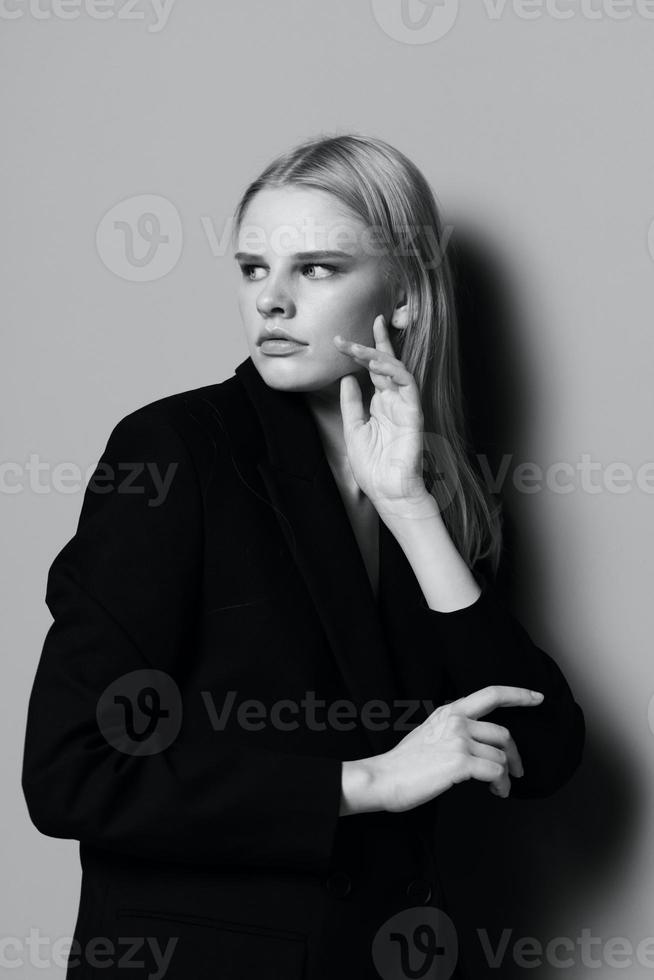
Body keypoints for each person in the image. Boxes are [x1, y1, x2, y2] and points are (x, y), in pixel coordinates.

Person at [21, 133, 585, 980]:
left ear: (404, 294)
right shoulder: (175, 451)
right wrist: (364, 782)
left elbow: (539, 744)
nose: (271, 303)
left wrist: (411, 512)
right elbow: (73, 770)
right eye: (254, 269)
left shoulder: (431, 484)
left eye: (316, 269)